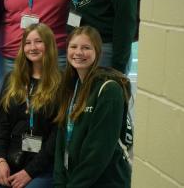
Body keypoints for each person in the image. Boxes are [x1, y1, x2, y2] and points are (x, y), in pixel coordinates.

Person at [0, 23, 61, 188]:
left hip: (42, 165)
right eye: (28, 43)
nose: (32, 47)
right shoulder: (12, 79)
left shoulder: (60, 83)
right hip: (10, 158)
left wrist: (29, 172)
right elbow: (1, 124)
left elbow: (56, 137)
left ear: (49, 45)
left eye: (38, 42)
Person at [53, 26, 131, 187]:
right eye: (73, 47)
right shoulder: (69, 87)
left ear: (97, 52)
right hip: (74, 179)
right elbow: (60, 142)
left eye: (86, 48)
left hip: (104, 181)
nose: (78, 52)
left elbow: (98, 153)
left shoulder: (109, 90)